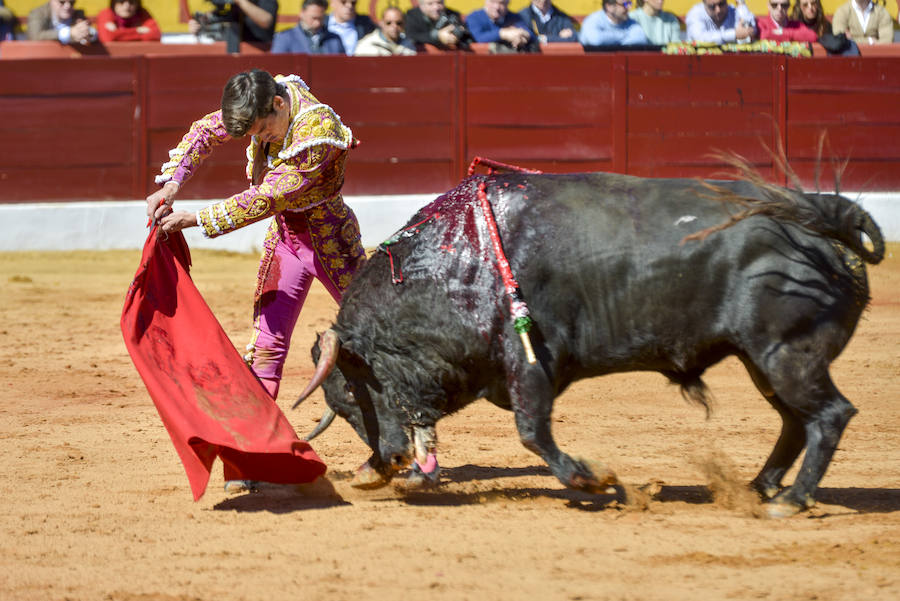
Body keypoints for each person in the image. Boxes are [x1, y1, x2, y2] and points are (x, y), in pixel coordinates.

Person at [146, 69, 368, 493]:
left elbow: (269, 195)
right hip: (286, 243)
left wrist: (196, 217)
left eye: (265, 130)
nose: (262, 140)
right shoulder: (262, 101)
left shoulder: (317, 129)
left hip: (332, 241)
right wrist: (173, 183)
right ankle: (251, 456)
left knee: (379, 335)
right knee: (265, 349)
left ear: (280, 105)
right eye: (256, 134)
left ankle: (411, 447)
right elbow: (207, 129)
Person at [189, 0, 277, 52]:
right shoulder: (229, 5)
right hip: (225, 55)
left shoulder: (264, 2)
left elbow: (266, 21)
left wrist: (241, 1)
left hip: (260, 54)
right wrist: (198, 25)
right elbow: (218, 18)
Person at [272, 0, 345, 54]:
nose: (317, 23)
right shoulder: (284, 38)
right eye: (313, 18)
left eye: (321, 18)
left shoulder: (335, 39)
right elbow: (277, 67)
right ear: (302, 13)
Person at [791, 0, 860, 54]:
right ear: (799, 7)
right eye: (805, 5)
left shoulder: (826, 25)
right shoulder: (793, 26)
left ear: (818, 4)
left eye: (813, 3)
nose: (810, 8)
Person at [466, 0, 535, 52]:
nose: (497, 7)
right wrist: (503, 33)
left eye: (501, 3)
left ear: (508, 4)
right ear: (486, 2)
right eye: (493, 2)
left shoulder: (514, 17)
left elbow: (531, 35)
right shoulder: (474, 17)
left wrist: (522, 37)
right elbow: (478, 38)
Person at [404, 0, 472, 50]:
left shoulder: (452, 14)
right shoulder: (411, 15)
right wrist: (438, 35)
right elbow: (411, 36)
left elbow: (467, 34)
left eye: (439, 3)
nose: (436, 7)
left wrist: (456, 35)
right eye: (430, 4)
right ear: (421, 6)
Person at [579, 0, 650, 46]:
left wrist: (609, 40)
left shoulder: (631, 22)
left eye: (629, 3)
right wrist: (624, 34)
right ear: (609, 7)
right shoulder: (593, 20)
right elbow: (596, 40)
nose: (629, 7)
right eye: (625, 4)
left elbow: (641, 39)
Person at [27, 0, 97, 44]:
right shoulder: (38, 13)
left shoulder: (78, 14)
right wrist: (69, 33)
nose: (67, 6)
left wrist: (87, 33)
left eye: (72, 2)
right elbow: (35, 36)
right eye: (62, 2)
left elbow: (92, 35)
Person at [685, 0, 756, 44]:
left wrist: (741, 2)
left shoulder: (732, 11)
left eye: (721, 4)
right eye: (712, 6)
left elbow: (751, 28)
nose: (718, 10)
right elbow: (700, 38)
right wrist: (734, 34)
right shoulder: (695, 14)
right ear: (704, 4)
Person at [96, 0, 160, 42]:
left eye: (131, 2)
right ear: (114, 4)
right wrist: (138, 30)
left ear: (137, 5)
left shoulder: (143, 13)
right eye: (121, 2)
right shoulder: (106, 13)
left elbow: (155, 35)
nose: (126, 6)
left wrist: (117, 33)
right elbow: (107, 38)